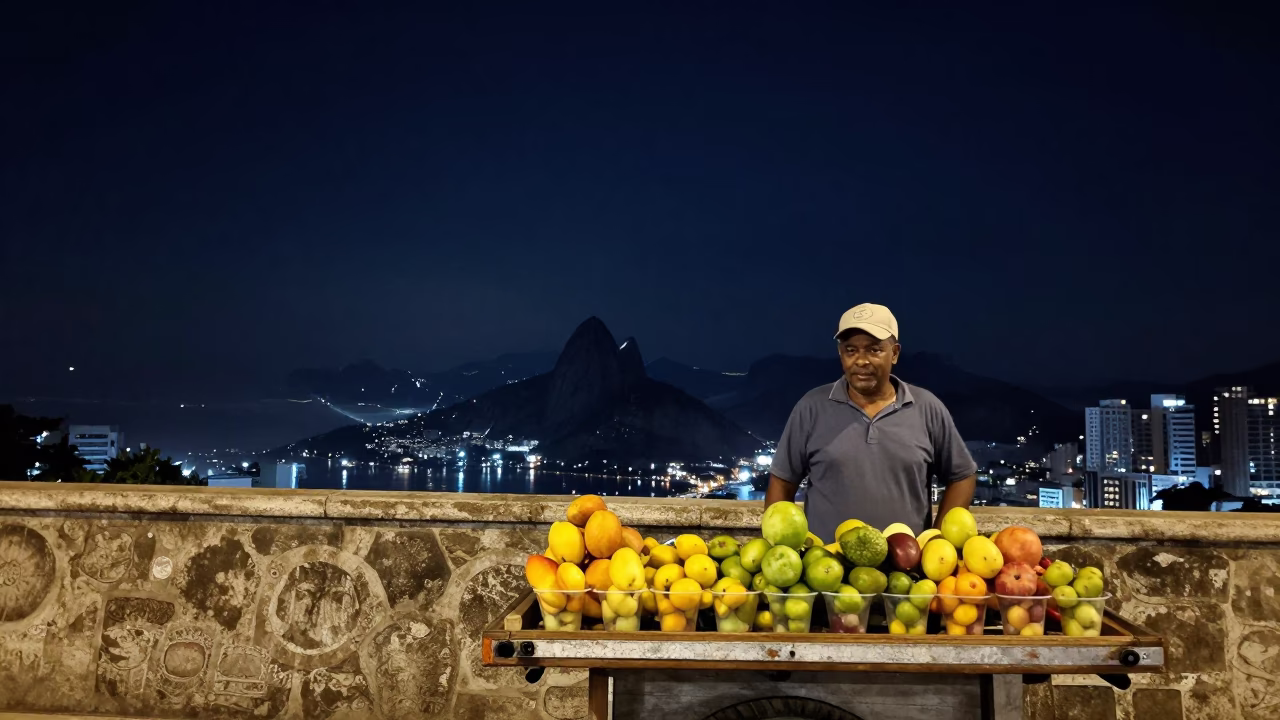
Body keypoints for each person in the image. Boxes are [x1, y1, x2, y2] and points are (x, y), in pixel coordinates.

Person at [765, 303, 976, 542]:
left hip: (905, 573)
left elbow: (961, 475)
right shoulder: (811, 407)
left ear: (894, 353)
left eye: (874, 350)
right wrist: (780, 546)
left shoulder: (927, 408)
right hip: (824, 570)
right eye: (851, 350)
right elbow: (782, 481)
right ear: (840, 353)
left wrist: (938, 540)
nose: (861, 361)